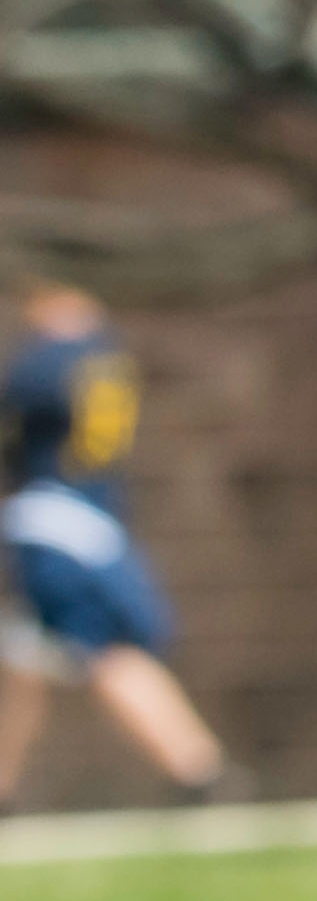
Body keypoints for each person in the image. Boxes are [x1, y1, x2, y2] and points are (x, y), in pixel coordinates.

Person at [0, 279, 240, 808]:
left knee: (107, 648)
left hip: (55, 524)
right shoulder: (108, 360)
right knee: (23, 660)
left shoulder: (44, 365)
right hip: (92, 521)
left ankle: (196, 769)